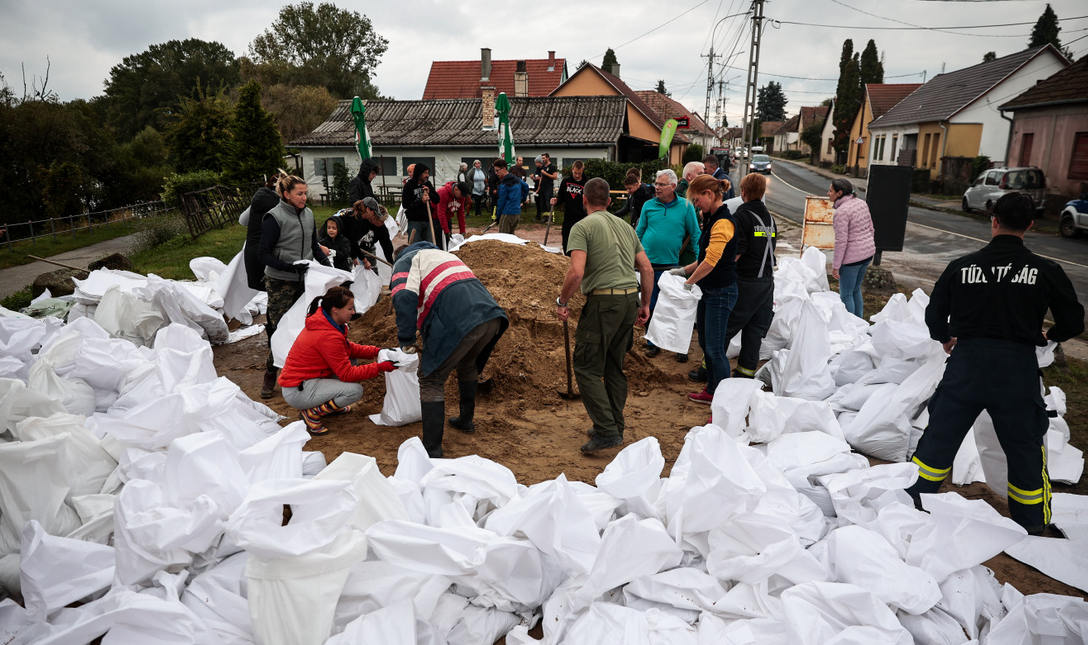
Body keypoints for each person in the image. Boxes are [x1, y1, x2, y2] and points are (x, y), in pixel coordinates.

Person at [905, 193, 1084, 535]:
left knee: (938, 441)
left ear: (993, 221)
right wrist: (1050, 334)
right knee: (1023, 449)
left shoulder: (962, 266)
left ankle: (913, 503)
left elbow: (934, 313)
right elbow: (1074, 321)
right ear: (1030, 225)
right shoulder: (1046, 270)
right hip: (1016, 370)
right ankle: (1031, 524)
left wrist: (945, 336)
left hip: (966, 365)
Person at [557, 178, 654, 454]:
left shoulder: (582, 227)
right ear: (610, 202)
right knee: (614, 366)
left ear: (584, 200)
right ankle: (613, 424)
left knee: (586, 367)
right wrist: (644, 304)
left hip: (604, 302)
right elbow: (646, 270)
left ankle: (607, 430)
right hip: (628, 301)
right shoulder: (626, 226)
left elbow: (576, 272)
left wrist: (562, 301)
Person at [391, 242, 509, 458]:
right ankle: (466, 420)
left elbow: (403, 297)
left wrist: (406, 339)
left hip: (460, 321)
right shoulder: (439, 255)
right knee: (467, 364)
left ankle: (432, 449)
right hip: (491, 317)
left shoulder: (405, 262)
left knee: (430, 377)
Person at [279, 286, 397, 435]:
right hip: (298, 390)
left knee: (351, 359)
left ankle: (329, 404)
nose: (353, 312)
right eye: (349, 309)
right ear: (335, 309)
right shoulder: (327, 335)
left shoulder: (327, 323)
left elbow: (348, 349)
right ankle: (312, 413)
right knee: (354, 392)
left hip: (307, 380)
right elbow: (347, 374)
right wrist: (379, 367)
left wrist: (377, 351)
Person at [258, 173, 331, 399]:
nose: (304, 197)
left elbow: (313, 246)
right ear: (286, 194)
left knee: (306, 327)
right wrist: (289, 267)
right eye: (299, 194)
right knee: (282, 329)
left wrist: (328, 266)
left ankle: (302, 374)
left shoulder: (308, 214)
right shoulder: (275, 217)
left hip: (304, 280)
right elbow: (262, 254)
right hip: (280, 281)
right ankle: (271, 373)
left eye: (305, 193)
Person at [671, 174, 738, 405]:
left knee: (715, 348)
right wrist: (683, 271)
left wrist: (688, 283)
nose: (696, 204)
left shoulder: (723, 222)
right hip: (709, 291)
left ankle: (722, 397)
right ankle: (711, 389)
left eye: (697, 199)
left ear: (709, 194)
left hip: (721, 291)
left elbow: (711, 262)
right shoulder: (710, 218)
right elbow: (702, 259)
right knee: (705, 344)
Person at [636, 169, 701, 363]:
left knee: (674, 308)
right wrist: (634, 256)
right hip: (648, 265)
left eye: (661, 184)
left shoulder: (686, 206)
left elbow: (695, 234)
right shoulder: (648, 206)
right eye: (656, 183)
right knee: (650, 304)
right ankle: (652, 344)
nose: (656, 187)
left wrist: (699, 261)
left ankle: (679, 347)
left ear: (673, 186)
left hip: (672, 266)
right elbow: (639, 233)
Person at [721, 173, 776, 379]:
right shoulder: (769, 218)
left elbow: (737, 251)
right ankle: (745, 375)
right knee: (754, 332)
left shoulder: (740, 217)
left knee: (724, 327)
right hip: (767, 282)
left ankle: (709, 371)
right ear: (762, 193)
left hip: (745, 281)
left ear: (742, 192)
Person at [828, 178, 876, 318]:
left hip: (851, 260)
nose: (828, 193)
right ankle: (859, 323)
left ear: (840, 193)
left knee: (846, 294)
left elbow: (841, 241)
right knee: (856, 290)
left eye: (831, 190)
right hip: (867, 255)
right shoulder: (861, 203)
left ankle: (851, 327)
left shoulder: (841, 212)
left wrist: (836, 266)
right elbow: (871, 229)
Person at [243, 175, 281, 291]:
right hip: (270, 254)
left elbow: (242, 220)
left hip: (252, 251)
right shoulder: (281, 205)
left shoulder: (257, 200)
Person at [340, 196, 395, 271]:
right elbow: (352, 241)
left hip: (367, 248)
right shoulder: (360, 221)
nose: (383, 223)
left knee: (372, 270)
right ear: (374, 217)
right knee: (351, 271)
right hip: (350, 248)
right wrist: (361, 259)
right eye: (381, 221)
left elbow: (387, 246)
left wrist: (392, 263)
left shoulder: (382, 229)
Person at [551, 160, 588, 254]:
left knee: (581, 240)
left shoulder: (587, 184)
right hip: (569, 217)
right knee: (566, 240)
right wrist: (556, 201)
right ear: (572, 170)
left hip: (582, 217)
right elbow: (561, 198)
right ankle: (567, 258)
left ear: (582, 171)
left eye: (579, 173)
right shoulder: (565, 182)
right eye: (575, 173)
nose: (577, 175)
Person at [402, 163, 440, 244]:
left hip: (428, 220)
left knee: (429, 246)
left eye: (428, 173)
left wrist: (430, 193)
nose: (427, 175)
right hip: (414, 221)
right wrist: (421, 201)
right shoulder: (409, 186)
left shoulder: (427, 184)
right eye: (425, 173)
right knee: (415, 246)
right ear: (419, 173)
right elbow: (405, 204)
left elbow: (437, 200)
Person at [495, 159, 530, 235]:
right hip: (516, 213)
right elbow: (526, 187)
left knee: (502, 238)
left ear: (504, 169)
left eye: (497, 171)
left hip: (507, 213)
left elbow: (501, 202)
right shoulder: (516, 179)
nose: (496, 173)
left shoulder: (504, 184)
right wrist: (522, 200)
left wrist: (498, 216)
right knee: (511, 238)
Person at [436, 181, 471, 250]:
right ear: (456, 189)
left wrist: (462, 231)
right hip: (436, 218)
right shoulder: (443, 193)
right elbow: (441, 213)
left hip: (448, 218)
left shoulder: (461, 197)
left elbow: (461, 213)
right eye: (461, 195)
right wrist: (446, 230)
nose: (462, 197)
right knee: (439, 241)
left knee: (448, 241)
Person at [534, 153, 557, 222]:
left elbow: (555, 177)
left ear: (548, 158)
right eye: (542, 158)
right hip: (542, 188)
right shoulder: (543, 168)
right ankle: (545, 217)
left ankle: (551, 218)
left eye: (544, 158)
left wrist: (545, 173)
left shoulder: (552, 167)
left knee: (548, 203)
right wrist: (538, 188)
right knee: (542, 203)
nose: (543, 160)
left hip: (548, 188)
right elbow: (541, 178)